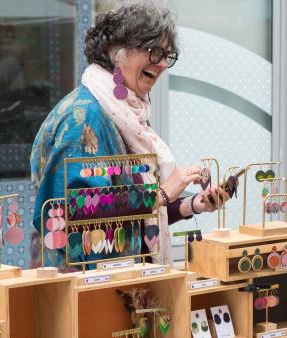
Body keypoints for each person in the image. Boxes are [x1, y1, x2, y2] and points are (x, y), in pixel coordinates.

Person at [30, 1, 220, 268]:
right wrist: (162, 193)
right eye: (155, 52)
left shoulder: (123, 113)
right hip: (83, 285)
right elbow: (74, 212)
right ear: (116, 52)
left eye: (168, 55)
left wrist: (192, 204)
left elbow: (135, 220)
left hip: (118, 279)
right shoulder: (84, 117)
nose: (162, 64)